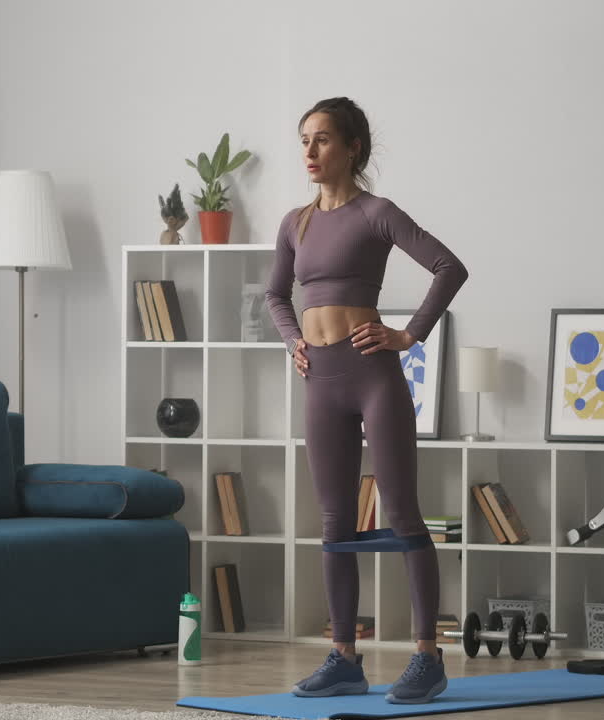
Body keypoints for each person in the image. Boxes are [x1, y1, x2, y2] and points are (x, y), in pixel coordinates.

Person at [264, 97, 469, 705]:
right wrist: (292, 341)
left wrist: (409, 334)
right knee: (335, 524)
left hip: (372, 375)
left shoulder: (376, 213)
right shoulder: (294, 222)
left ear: (353, 147)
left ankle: (427, 658)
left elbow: (448, 266)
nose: (309, 151)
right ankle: (344, 658)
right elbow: (276, 295)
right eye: (304, 139)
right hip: (320, 380)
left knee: (403, 515)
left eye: (322, 139)